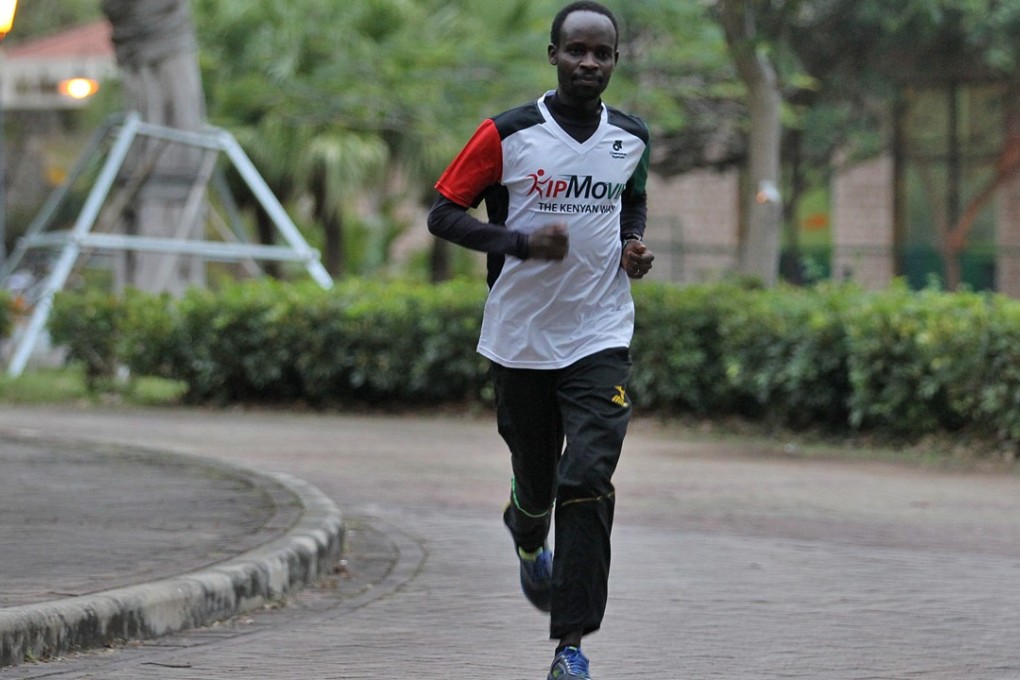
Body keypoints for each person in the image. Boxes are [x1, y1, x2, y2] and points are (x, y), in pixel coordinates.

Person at [427, 2, 653, 678]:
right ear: (553, 54)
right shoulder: (508, 133)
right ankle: (526, 533)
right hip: (521, 339)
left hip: (599, 333)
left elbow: (632, 199)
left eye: (601, 53)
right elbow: (443, 213)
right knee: (537, 484)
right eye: (576, 50)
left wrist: (631, 243)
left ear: (615, 61)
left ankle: (571, 647)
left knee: (586, 478)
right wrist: (519, 242)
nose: (588, 62)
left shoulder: (630, 137)